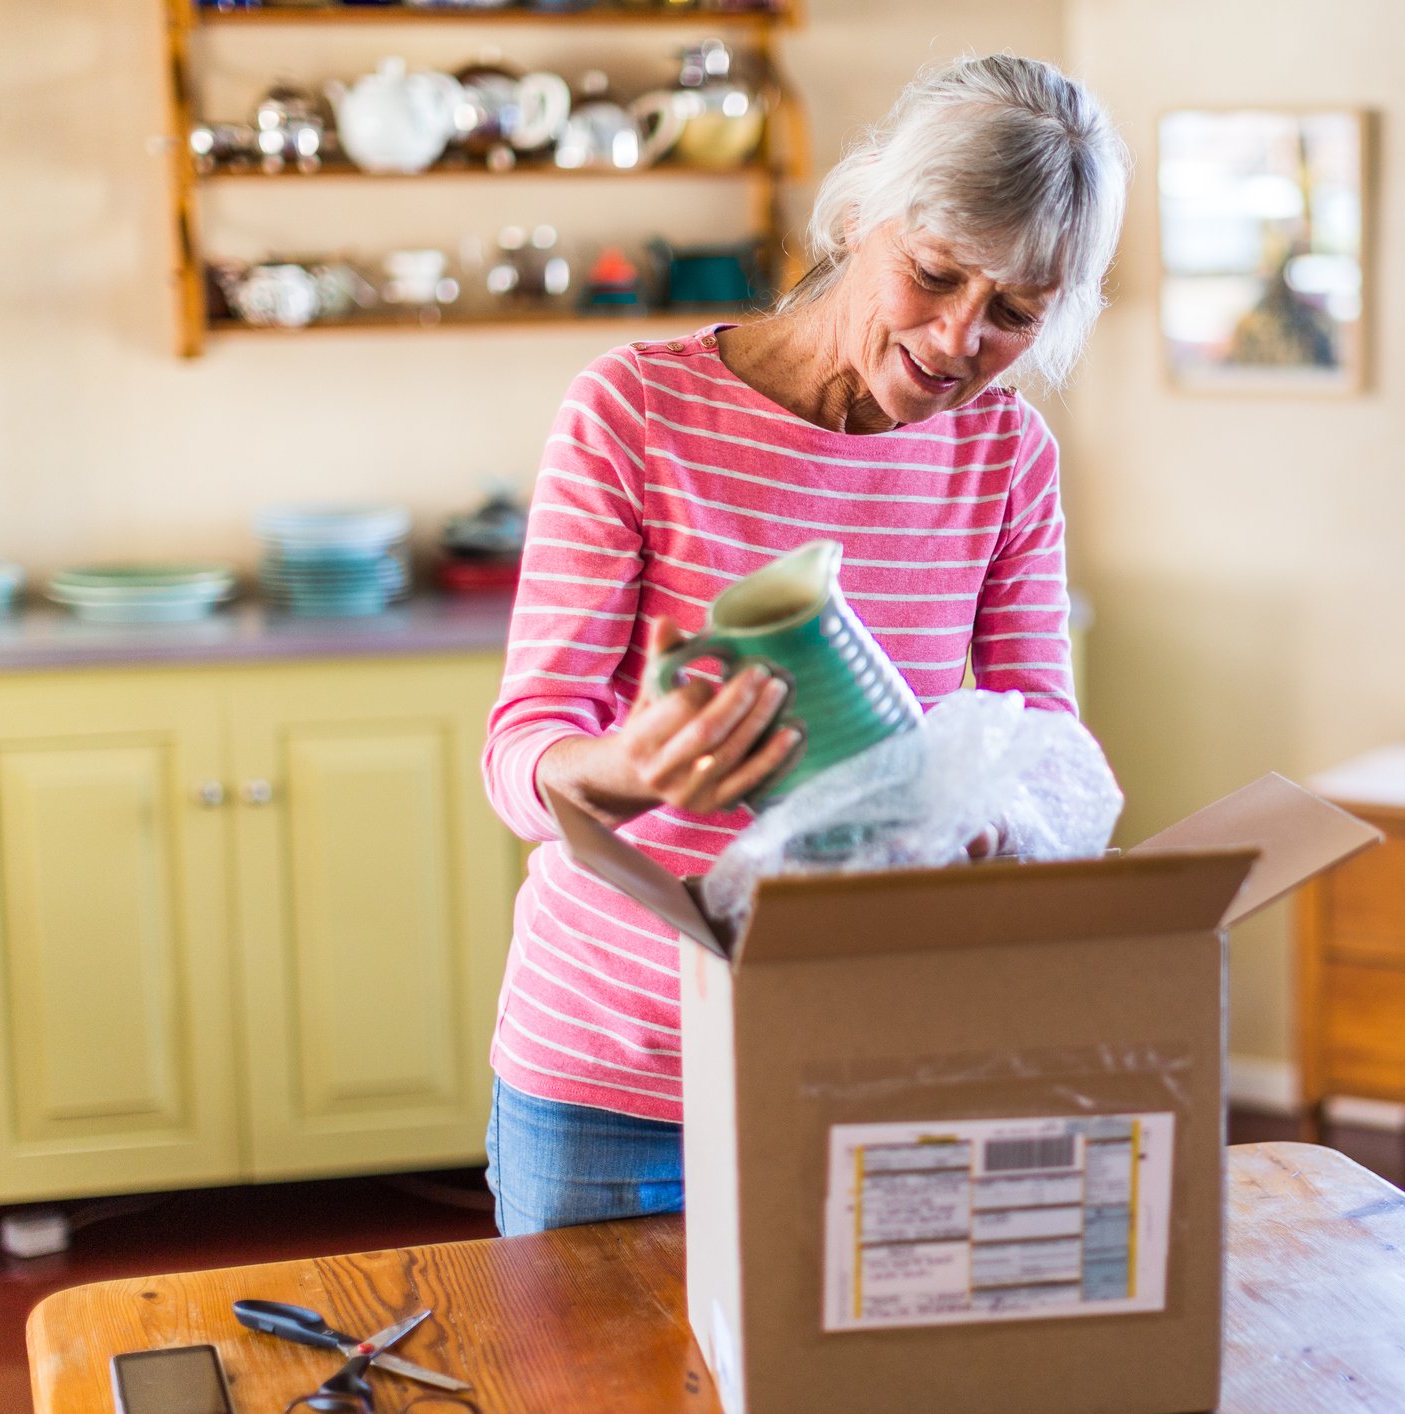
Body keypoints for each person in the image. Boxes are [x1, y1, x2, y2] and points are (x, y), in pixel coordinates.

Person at [478, 53, 1130, 1236]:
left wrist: (1014, 829)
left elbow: (1047, 730)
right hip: (618, 1069)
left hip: (870, 1051)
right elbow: (523, 752)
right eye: (933, 274)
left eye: (1015, 315)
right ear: (860, 213)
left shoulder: (1007, 456)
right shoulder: (636, 412)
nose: (957, 338)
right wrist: (629, 771)